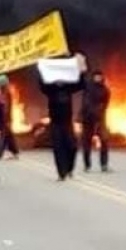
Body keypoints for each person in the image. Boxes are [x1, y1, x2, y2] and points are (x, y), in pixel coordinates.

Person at [39, 53, 87, 181]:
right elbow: (41, 84)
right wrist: (42, 66)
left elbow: (81, 84)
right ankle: (62, 173)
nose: (60, 80)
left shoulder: (68, 87)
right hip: (55, 122)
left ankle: (69, 168)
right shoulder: (50, 89)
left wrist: (81, 69)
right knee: (58, 148)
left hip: (67, 122)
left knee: (72, 146)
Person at [80, 70, 111, 172]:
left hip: (100, 118)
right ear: (93, 78)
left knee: (104, 141)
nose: (98, 78)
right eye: (96, 76)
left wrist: (100, 112)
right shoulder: (88, 88)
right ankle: (87, 165)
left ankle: (104, 164)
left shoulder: (105, 90)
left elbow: (106, 104)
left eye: (99, 76)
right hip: (88, 118)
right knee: (86, 142)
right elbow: (85, 102)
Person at [0, 74, 20, 160]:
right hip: (4, 118)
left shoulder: (6, 94)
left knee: (4, 135)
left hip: (4, 118)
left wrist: (5, 118)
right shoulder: (4, 94)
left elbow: (6, 107)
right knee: (8, 135)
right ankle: (15, 151)